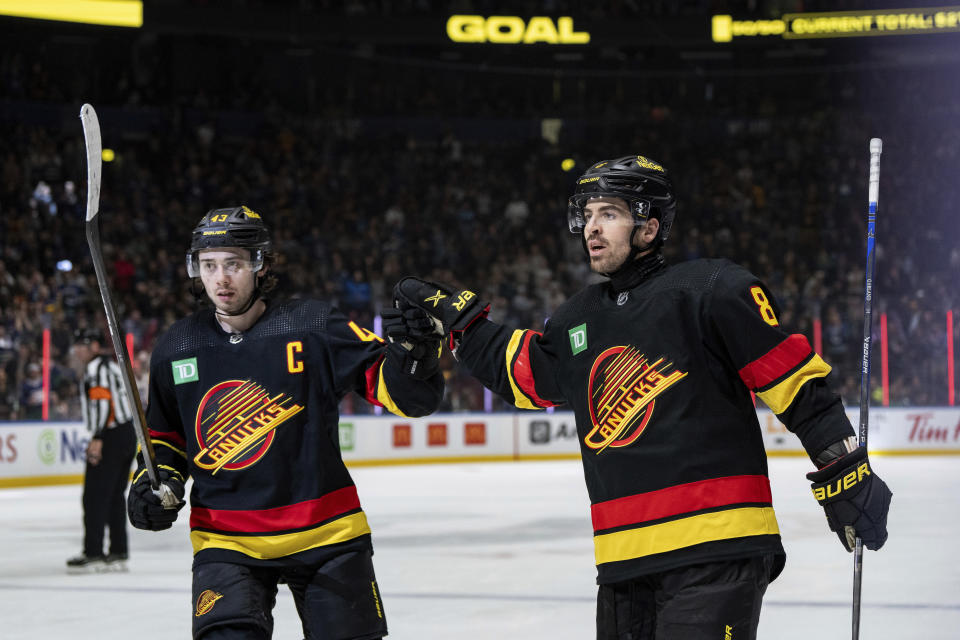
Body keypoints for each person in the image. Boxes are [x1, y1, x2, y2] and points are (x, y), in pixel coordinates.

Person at [394, 156, 893, 640]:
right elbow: (522, 375)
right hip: (623, 561)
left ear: (649, 227)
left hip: (715, 547)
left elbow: (796, 382)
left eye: (608, 214)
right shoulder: (576, 319)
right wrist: (460, 323)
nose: (592, 227)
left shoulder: (711, 289)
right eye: (587, 215)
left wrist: (842, 471)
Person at [126, 205, 442, 640]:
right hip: (227, 541)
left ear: (261, 264)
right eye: (209, 265)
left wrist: (416, 361)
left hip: (327, 532)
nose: (220, 278)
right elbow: (163, 439)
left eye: (233, 264)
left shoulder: (314, 326)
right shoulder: (177, 346)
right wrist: (151, 482)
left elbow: (404, 395)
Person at [66, 328, 136, 574]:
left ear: (95, 347)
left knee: (94, 496)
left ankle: (94, 553)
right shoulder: (112, 366)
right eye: (77, 345)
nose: (79, 349)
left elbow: (103, 404)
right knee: (115, 496)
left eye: (84, 344)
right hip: (126, 433)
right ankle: (118, 551)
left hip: (111, 435)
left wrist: (98, 437)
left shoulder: (97, 369)